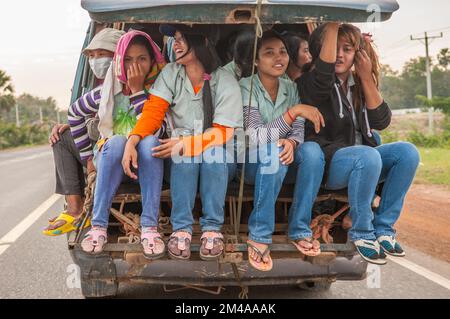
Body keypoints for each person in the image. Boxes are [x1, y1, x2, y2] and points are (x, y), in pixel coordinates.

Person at [298, 23, 420, 265]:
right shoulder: (311, 82)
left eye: (348, 49)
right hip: (330, 164)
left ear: (358, 54)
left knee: (407, 152)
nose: (340, 55)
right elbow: (323, 75)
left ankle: (384, 228)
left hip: (365, 163)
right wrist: (333, 24)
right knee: (368, 155)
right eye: (335, 48)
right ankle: (362, 232)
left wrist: (366, 77)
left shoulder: (358, 85)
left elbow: (381, 121)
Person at [122, 24, 243, 261]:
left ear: (203, 42)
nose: (174, 45)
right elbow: (153, 112)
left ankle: (211, 229)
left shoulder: (225, 81)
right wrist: (132, 140)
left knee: (213, 154)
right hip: (180, 160)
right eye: (173, 39)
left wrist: (186, 144)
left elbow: (222, 133)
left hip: (218, 161)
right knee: (184, 157)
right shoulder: (170, 74)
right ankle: (181, 230)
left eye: (181, 39)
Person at [75, 30, 167, 259]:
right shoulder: (106, 92)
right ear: (119, 62)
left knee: (150, 141)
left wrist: (137, 92)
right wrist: (88, 159)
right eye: (128, 59)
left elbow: (160, 129)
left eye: (142, 59)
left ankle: (149, 227)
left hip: (144, 166)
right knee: (116, 141)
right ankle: (98, 226)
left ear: (152, 61)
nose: (134, 65)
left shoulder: (159, 93)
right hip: (112, 163)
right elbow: (74, 114)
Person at [240, 31, 325, 271]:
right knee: (271, 151)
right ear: (256, 61)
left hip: (282, 157)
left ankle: (300, 229)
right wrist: (292, 113)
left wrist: (294, 143)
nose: (278, 58)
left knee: (312, 151)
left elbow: (297, 130)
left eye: (283, 52)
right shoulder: (246, 87)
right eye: (269, 53)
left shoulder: (290, 87)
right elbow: (256, 136)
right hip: (251, 163)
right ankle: (259, 234)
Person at [44, 28, 125, 236]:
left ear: (118, 56)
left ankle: (75, 208)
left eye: (102, 54)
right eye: (92, 56)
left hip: (124, 158)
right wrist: (89, 159)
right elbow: (77, 113)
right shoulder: (99, 89)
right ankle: (75, 207)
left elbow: (77, 112)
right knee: (61, 137)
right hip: (107, 154)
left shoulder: (123, 84)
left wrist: (89, 162)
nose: (95, 60)